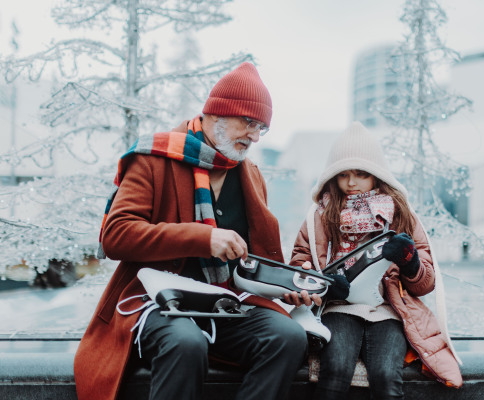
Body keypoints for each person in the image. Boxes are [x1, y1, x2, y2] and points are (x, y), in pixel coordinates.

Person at [74, 62, 309, 400]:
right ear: (217, 114)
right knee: (185, 342)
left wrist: (288, 287)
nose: (255, 137)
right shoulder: (152, 158)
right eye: (250, 123)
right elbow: (116, 235)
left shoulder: (252, 175)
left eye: (262, 128)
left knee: (288, 336)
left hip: (225, 303)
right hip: (154, 302)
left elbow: (252, 261)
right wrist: (204, 238)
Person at [289, 122, 463, 399]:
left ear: (377, 175)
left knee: (386, 376)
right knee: (334, 371)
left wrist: (410, 262)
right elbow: (299, 266)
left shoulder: (402, 213)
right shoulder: (319, 215)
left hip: (389, 310)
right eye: (343, 174)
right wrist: (324, 286)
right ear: (331, 177)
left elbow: (426, 283)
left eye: (361, 174)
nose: (351, 182)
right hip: (339, 308)